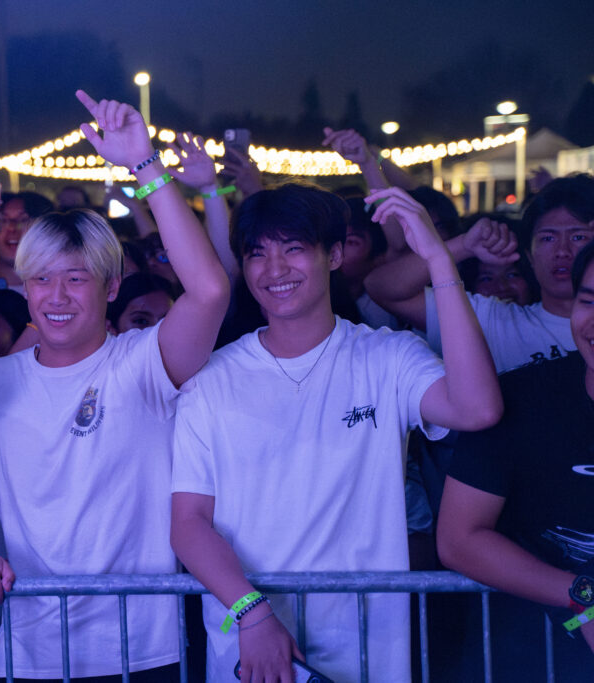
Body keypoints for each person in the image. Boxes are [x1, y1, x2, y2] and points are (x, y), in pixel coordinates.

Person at [0, 90, 230, 680]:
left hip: (143, 653)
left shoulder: (144, 363)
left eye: (77, 278)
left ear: (111, 286)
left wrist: (145, 166)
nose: (58, 295)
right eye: (42, 279)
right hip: (24, 655)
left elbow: (209, 291)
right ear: (24, 286)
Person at [170, 184, 502, 682]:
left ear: (336, 255)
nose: (274, 269)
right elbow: (189, 522)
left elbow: (476, 408)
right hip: (251, 650)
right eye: (257, 253)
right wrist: (253, 614)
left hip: (370, 648)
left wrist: (437, 258)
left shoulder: (387, 358)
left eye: (294, 248)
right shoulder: (211, 380)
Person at [436, 241, 594, 679]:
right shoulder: (521, 400)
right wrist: (585, 598)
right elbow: (458, 538)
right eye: (589, 301)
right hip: (525, 655)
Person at [365, 175, 594, 372]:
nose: (562, 251)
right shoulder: (492, 321)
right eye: (548, 238)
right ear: (530, 256)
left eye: (578, 237)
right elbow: (382, 287)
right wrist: (465, 245)